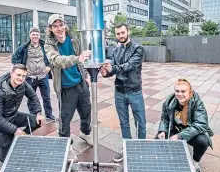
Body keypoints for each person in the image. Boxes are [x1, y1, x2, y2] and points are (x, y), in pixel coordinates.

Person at [44, 13, 93, 161]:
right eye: (55, 26)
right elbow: (57, 60)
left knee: (86, 111)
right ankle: (67, 145)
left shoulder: (73, 40)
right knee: (65, 119)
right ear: (51, 29)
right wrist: (78, 58)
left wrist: (85, 75)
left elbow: (80, 60)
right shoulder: (49, 45)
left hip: (80, 83)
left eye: (61, 25)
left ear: (65, 25)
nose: (59, 28)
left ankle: (85, 132)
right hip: (65, 88)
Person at [0, 64, 45, 162]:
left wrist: (38, 113)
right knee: (6, 159)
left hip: (14, 116)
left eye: (23, 76)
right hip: (0, 125)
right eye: (18, 75)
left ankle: (19, 139)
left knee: (38, 121)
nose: (21, 78)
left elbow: (33, 96)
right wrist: (15, 130)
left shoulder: (23, 84)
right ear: (11, 74)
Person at [100, 23, 146, 163]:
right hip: (119, 92)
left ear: (128, 32)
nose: (120, 36)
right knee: (124, 123)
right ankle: (126, 148)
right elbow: (112, 68)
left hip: (134, 91)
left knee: (141, 123)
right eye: (118, 33)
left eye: (122, 33)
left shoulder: (138, 48)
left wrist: (113, 68)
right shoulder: (115, 50)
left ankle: (140, 148)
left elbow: (130, 65)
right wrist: (105, 72)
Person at [156, 78, 214, 172]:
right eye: (177, 91)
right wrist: (162, 131)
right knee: (158, 139)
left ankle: (195, 162)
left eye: (183, 91)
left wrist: (179, 136)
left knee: (203, 141)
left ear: (189, 91)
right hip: (176, 129)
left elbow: (201, 124)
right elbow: (164, 118)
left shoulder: (197, 103)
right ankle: (164, 161)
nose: (180, 94)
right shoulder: (169, 101)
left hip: (191, 132)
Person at [11, 27, 56, 121]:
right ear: (30, 35)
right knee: (31, 98)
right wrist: (22, 70)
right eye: (33, 34)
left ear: (39, 36)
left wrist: (49, 66)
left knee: (46, 97)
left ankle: (49, 114)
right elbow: (14, 59)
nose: (35, 36)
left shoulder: (45, 46)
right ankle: (33, 115)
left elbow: (53, 56)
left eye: (37, 34)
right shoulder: (24, 47)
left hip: (43, 76)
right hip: (30, 77)